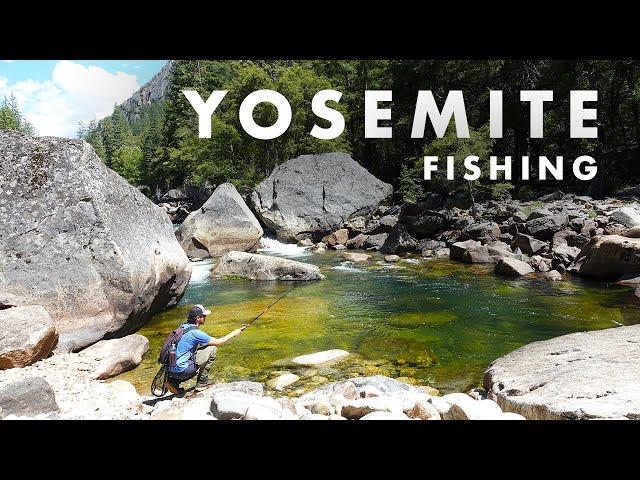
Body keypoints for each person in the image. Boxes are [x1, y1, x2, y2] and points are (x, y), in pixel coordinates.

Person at [166, 304, 245, 394]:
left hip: (170, 370)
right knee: (212, 349)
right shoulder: (196, 333)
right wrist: (233, 333)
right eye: (204, 316)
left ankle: (173, 382)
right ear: (198, 318)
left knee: (189, 358)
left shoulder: (182, 327)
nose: (205, 317)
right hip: (183, 371)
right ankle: (202, 384)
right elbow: (218, 342)